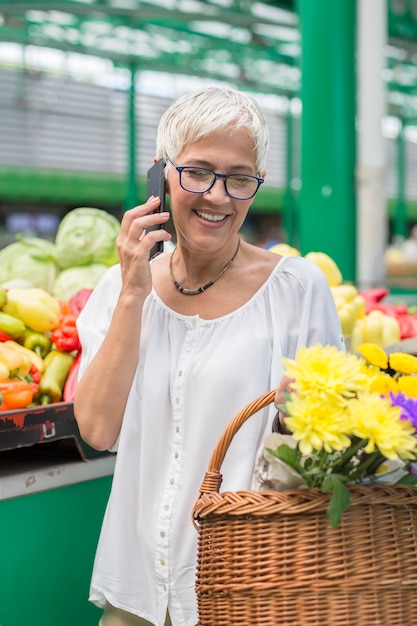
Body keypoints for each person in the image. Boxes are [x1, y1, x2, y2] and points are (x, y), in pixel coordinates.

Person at [74, 86, 345, 626]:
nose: (218, 196)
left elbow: (327, 453)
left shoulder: (296, 288)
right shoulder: (119, 288)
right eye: (197, 172)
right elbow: (98, 430)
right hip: (135, 598)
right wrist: (133, 292)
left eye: (240, 178)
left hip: (249, 596)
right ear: (162, 175)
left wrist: (301, 418)